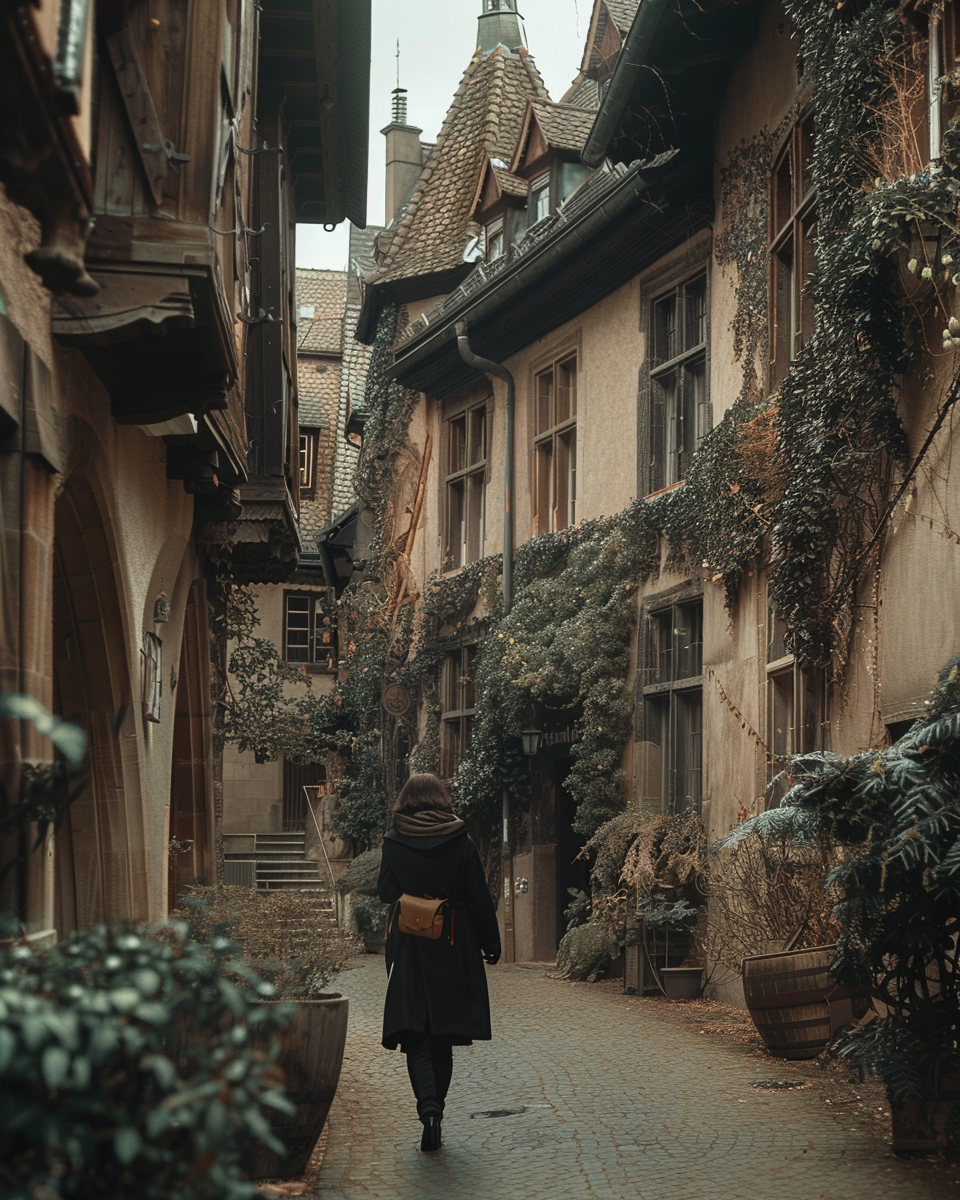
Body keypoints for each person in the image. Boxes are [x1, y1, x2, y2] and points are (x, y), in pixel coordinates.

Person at [378, 773, 501, 1153]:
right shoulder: (460, 838)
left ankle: (427, 1111)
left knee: (416, 1036)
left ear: (405, 801)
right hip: (454, 942)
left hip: (414, 945)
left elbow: (385, 892)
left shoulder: (394, 840)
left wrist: (413, 888)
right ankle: (438, 1113)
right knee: (442, 1037)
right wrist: (491, 943)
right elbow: (477, 895)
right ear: (442, 799)